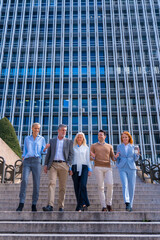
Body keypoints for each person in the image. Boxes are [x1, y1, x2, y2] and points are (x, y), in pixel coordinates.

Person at [16, 123, 49, 212]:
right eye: (35, 128)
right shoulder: (27, 138)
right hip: (27, 161)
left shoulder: (42, 139)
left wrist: (45, 149)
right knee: (25, 180)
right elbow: (25, 150)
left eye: (38, 128)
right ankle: (21, 203)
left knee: (36, 183)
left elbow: (43, 151)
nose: (37, 130)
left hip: (36, 161)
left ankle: (34, 204)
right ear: (32, 128)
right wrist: (23, 156)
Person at [42, 124, 73, 211]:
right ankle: (50, 205)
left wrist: (69, 165)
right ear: (58, 131)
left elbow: (71, 154)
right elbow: (48, 153)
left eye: (65, 130)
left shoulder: (69, 141)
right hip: (53, 165)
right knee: (52, 183)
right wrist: (45, 164)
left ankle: (61, 206)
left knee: (62, 187)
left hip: (64, 165)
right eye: (62, 130)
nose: (64, 132)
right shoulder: (52, 141)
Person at [90, 130, 118, 212]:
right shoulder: (93, 146)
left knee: (110, 184)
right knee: (101, 187)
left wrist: (115, 157)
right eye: (98, 135)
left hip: (108, 167)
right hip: (98, 167)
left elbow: (113, 158)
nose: (100, 136)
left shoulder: (109, 146)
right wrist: (94, 157)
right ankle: (104, 206)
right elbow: (90, 157)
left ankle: (109, 203)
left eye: (101, 135)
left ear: (105, 136)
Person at [115, 131, 139, 211]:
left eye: (126, 137)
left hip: (131, 167)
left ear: (129, 138)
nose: (124, 138)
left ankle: (130, 205)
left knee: (131, 187)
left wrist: (138, 154)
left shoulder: (134, 147)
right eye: (123, 137)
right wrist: (116, 158)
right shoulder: (119, 146)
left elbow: (135, 159)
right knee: (125, 185)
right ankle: (127, 202)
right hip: (122, 167)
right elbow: (117, 158)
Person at [70, 132, 92, 212]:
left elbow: (88, 159)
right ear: (76, 138)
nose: (79, 138)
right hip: (75, 167)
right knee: (77, 187)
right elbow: (71, 159)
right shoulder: (73, 148)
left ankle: (85, 202)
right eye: (78, 137)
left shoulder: (86, 148)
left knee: (83, 185)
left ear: (83, 139)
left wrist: (90, 169)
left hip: (84, 167)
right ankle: (81, 205)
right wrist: (70, 168)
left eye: (81, 137)